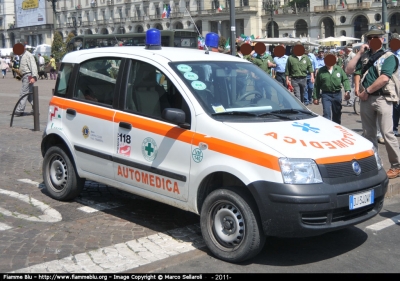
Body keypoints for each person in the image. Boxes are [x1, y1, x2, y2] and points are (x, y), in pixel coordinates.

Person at [345, 27, 400, 179]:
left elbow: (384, 78)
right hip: (365, 99)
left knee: (387, 133)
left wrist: (366, 91)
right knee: (368, 134)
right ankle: (375, 164)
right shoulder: (364, 56)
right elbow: (350, 70)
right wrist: (359, 52)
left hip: (382, 98)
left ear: (382, 39)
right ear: (368, 41)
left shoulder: (389, 56)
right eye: (371, 37)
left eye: (377, 37)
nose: (374, 39)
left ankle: (396, 165)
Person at [313, 54, 351, 124]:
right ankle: (328, 130)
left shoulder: (338, 69)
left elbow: (345, 80)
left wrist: (347, 91)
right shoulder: (321, 71)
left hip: (337, 94)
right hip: (326, 95)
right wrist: (315, 97)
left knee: (337, 114)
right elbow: (317, 85)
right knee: (326, 114)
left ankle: (337, 130)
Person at [15, 43, 38, 117]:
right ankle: (35, 109)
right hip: (25, 76)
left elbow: (33, 66)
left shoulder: (28, 55)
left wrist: (34, 77)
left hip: (28, 76)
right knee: (30, 95)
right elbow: (22, 68)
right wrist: (19, 76)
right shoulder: (22, 55)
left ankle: (20, 110)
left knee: (24, 93)